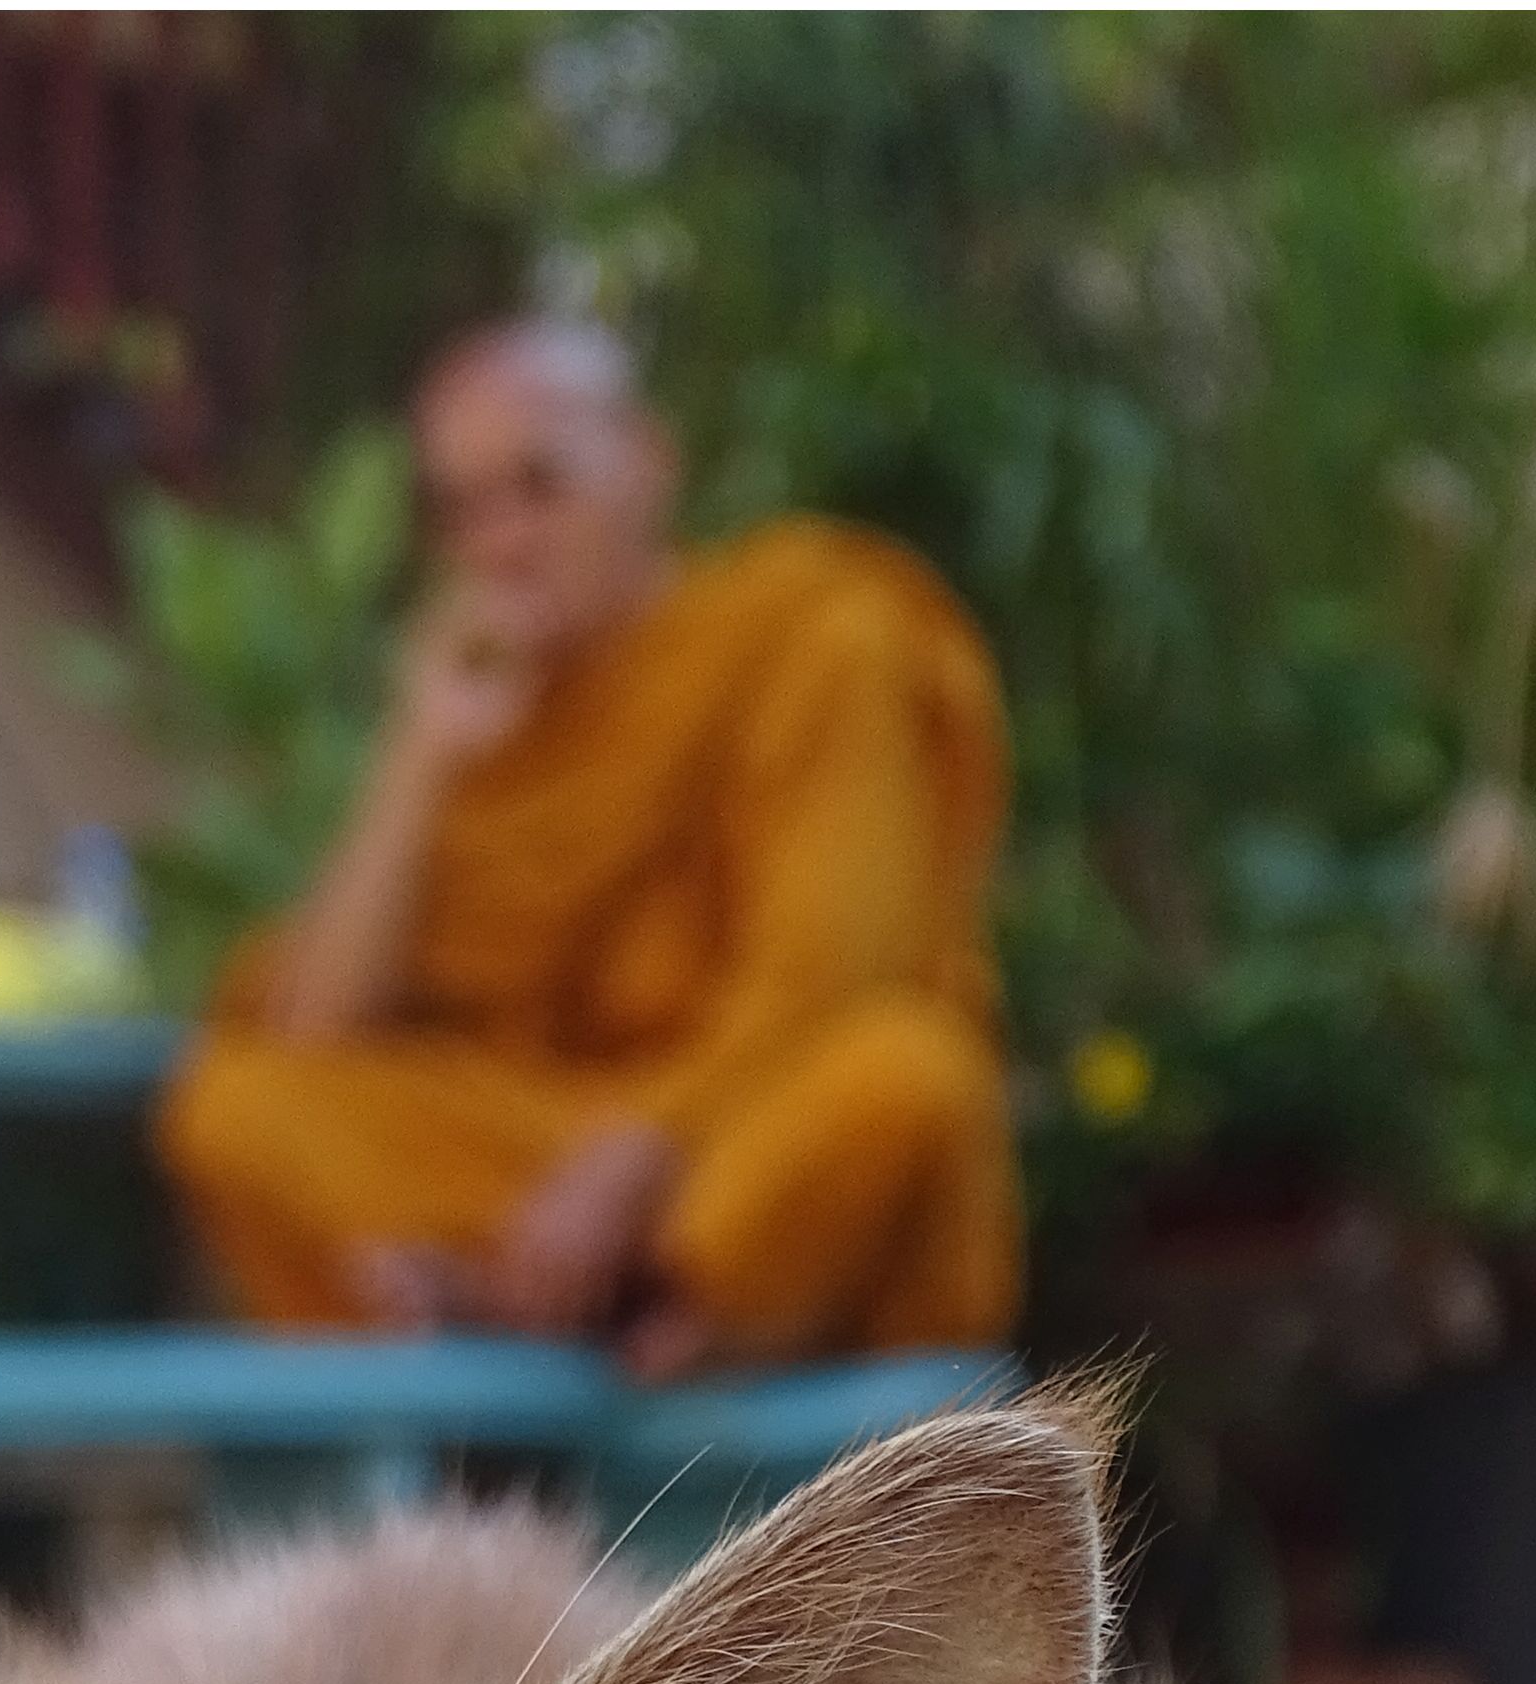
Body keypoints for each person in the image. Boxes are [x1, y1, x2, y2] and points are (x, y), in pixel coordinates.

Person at [159, 320, 1020, 1375]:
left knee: (907, 1075)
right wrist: (419, 752)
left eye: (539, 487)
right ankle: (605, 1310)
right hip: (549, 1151)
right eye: (464, 510)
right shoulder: (497, 720)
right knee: (235, 1106)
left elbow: (831, 980)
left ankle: (622, 1305)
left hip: (737, 1128)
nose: (504, 543)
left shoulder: (811, 640)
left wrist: (645, 1151)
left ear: (648, 465)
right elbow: (315, 1028)